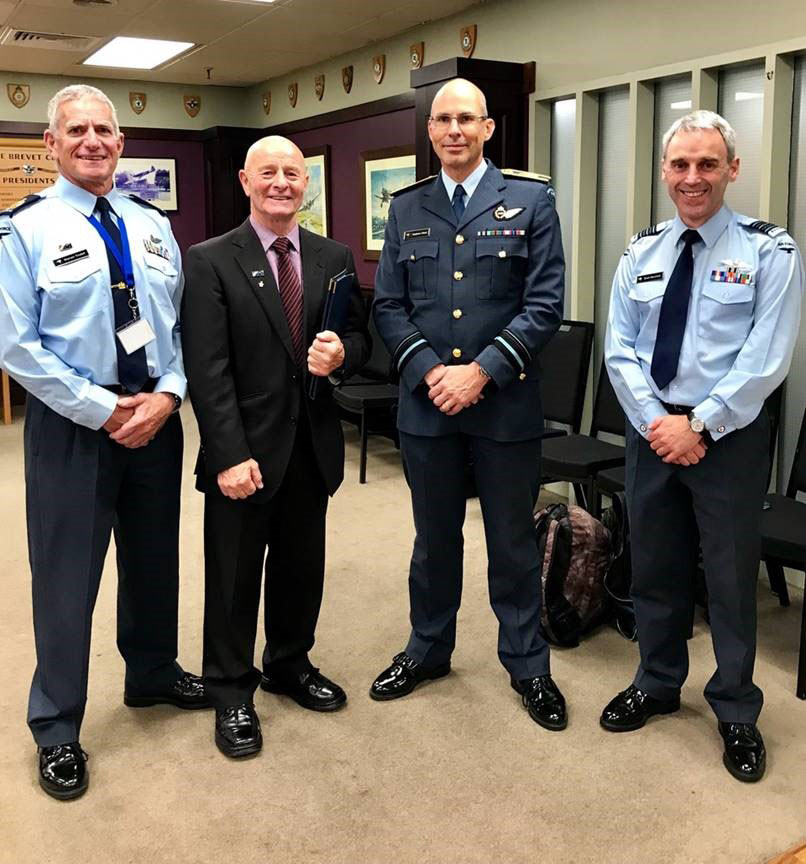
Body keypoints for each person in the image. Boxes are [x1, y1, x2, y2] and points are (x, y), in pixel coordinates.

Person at [0, 85, 208, 801]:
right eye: (77, 130)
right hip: (73, 430)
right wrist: (101, 408)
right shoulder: (21, 230)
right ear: (52, 144)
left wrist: (169, 395)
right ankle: (56, 726)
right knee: (66, 578)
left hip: (155, 420)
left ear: (122, 144)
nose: (93, 140)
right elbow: (16, 347)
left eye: (105, 130)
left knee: (154, 561)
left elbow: (178, 329)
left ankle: (151, 673)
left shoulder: (152, 225)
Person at [602, 110, 803, 782]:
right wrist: (659, 421)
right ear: (664, 171)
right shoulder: (641, 250)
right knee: (654, 565)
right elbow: (620, 348)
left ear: (732, 170)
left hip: (730, 439)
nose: (693, 178)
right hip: (653, 431)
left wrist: (702, 424)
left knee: (727, 579)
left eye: (707, 164)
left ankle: (737, 710)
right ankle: (657, 681)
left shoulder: (769, 251)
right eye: (680, 165)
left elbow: (767, 358)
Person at [370, 78, 567, 729]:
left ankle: (528, 666)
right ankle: (427, 650)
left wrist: (480, 373)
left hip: (504, 406)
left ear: (487, 128)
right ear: (431, 132)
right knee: (434, 543)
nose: (454, 129)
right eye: (443, 119)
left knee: (512, 542)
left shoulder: (530, 200)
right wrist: (432, 374)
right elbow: (390, 307)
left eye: (467, 119)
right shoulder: (406, 208)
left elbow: (544, 306)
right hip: (428, 410)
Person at [181, 136, 370, 758]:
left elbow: (359, 339)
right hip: (245, 453)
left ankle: (289, 663)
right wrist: (228, 455)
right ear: (245, 180)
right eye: (269, 173)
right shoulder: (210, 260)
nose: (282, 182)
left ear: (306, 182)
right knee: (233, 577)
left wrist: (343, 355)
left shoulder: (333, 255)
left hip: (311, 446)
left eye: (293, 172)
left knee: (299, 569)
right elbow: (207, 371)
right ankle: (231, 689)